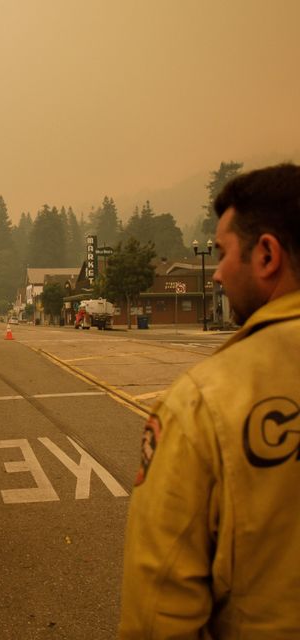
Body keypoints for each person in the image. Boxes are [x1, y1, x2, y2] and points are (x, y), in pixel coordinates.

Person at [119, 163, 300, 638]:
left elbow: (158, 616)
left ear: (266, 255)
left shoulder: (200, 403)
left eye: (221, 253)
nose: (216, 273)